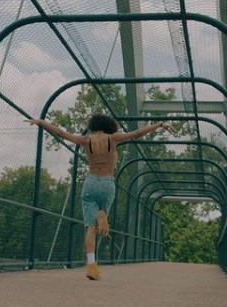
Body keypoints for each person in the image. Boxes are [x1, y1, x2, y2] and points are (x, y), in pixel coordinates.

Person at [26, 114, 174, 280]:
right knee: (99, 225)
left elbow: (61, 133)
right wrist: (160, 124)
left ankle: (91, 266)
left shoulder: (86, 140)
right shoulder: (113, 138)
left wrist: (40, 122)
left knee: (90, 228)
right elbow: (137, 133)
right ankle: (101, 214)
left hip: (90, 182)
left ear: (93, 125)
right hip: (107, 182)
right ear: (109, 126)